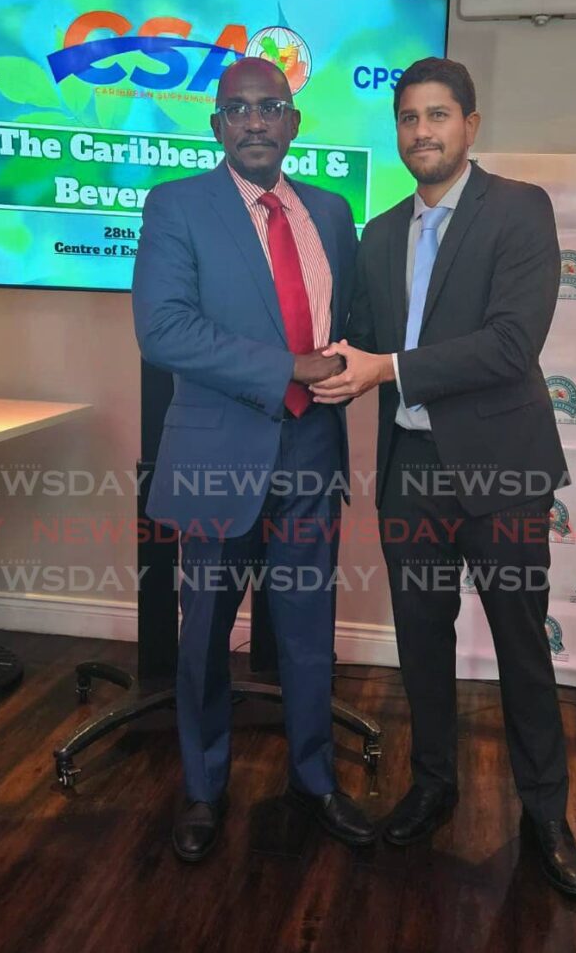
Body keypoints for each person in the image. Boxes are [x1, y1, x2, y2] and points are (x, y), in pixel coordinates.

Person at [311, 57, 576, 897]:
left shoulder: (518, 209)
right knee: (423, 644)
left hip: (502, 473)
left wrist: (385, 366)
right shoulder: (382, 231)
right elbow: (353, 342)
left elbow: (512, 343)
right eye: (407, 118)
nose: (421, 132)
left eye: (438, 116)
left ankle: (545, 811)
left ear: (470, 125)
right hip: (413, 473)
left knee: (520, 647)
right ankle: (433, 783)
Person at [132, 57, 374, 862]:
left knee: (308, 630)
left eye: (271, 107)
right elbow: (162, 329)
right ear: (217, 126)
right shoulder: (176, 206)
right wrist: (288, 369)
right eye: (237, 110)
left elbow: (352, 319)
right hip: (218, 456)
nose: (255, 122)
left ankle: (314, 778)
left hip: (312, 449)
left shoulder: (334, 213)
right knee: (203, 635)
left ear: (295, 122)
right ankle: (203, 787)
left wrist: (364, 366)